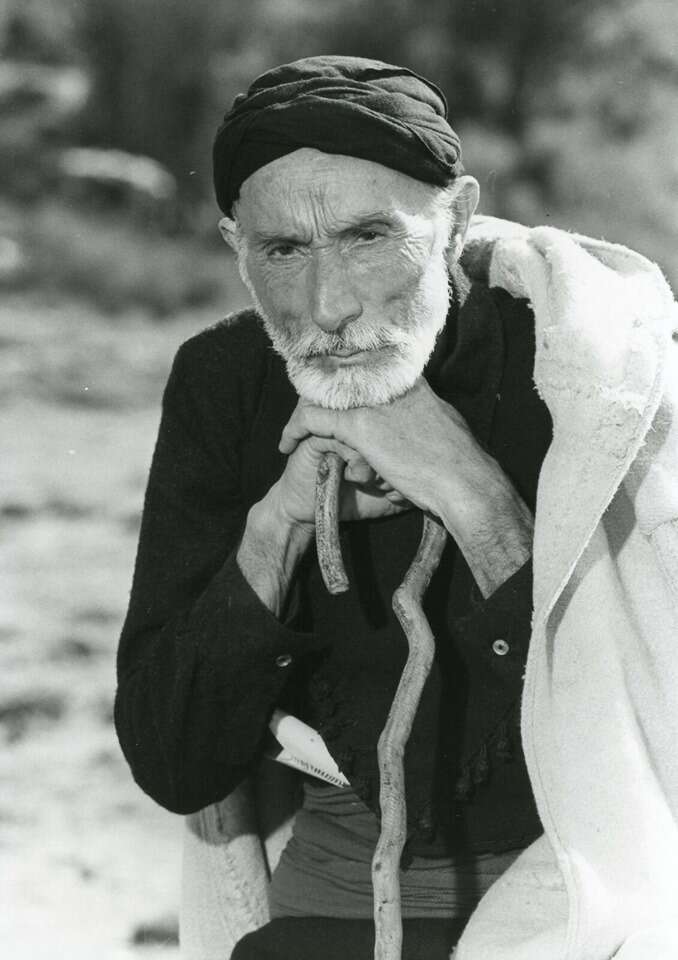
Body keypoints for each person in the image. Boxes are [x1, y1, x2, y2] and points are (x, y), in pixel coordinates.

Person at [115, 57, 678, 960]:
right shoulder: (226, 384)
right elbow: (175, 763)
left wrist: (472, 491)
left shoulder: (591, 375)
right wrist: (273, 533)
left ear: (456, 218)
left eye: (369, 237)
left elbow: (649, 734)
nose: (328, 307)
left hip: (594, 892)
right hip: (337, 897)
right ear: (235, 247)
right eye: (283, 251)